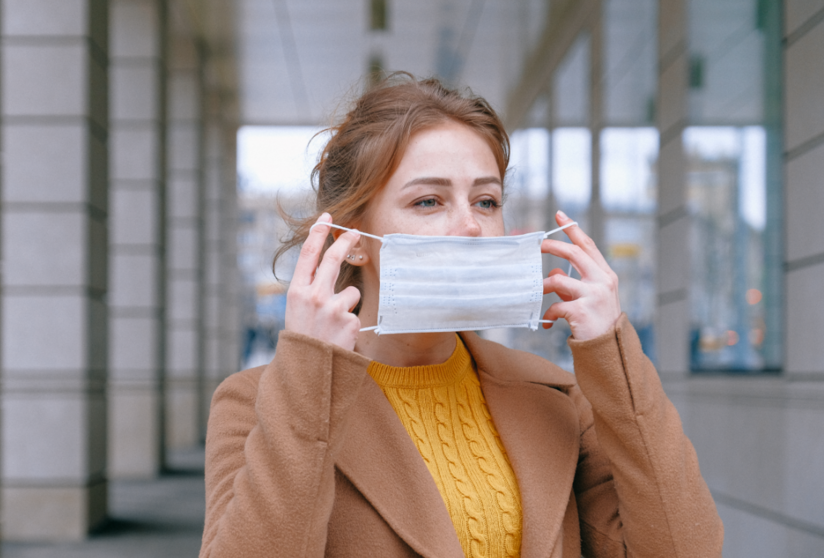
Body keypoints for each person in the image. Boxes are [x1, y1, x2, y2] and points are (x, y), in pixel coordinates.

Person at [200, 75, 722, 558]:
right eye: (429, 201)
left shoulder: (558, 399)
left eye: (487, 201)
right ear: (352, 241)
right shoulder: (255, 404)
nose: (471, 226)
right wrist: (311, 374)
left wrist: (614, 356)